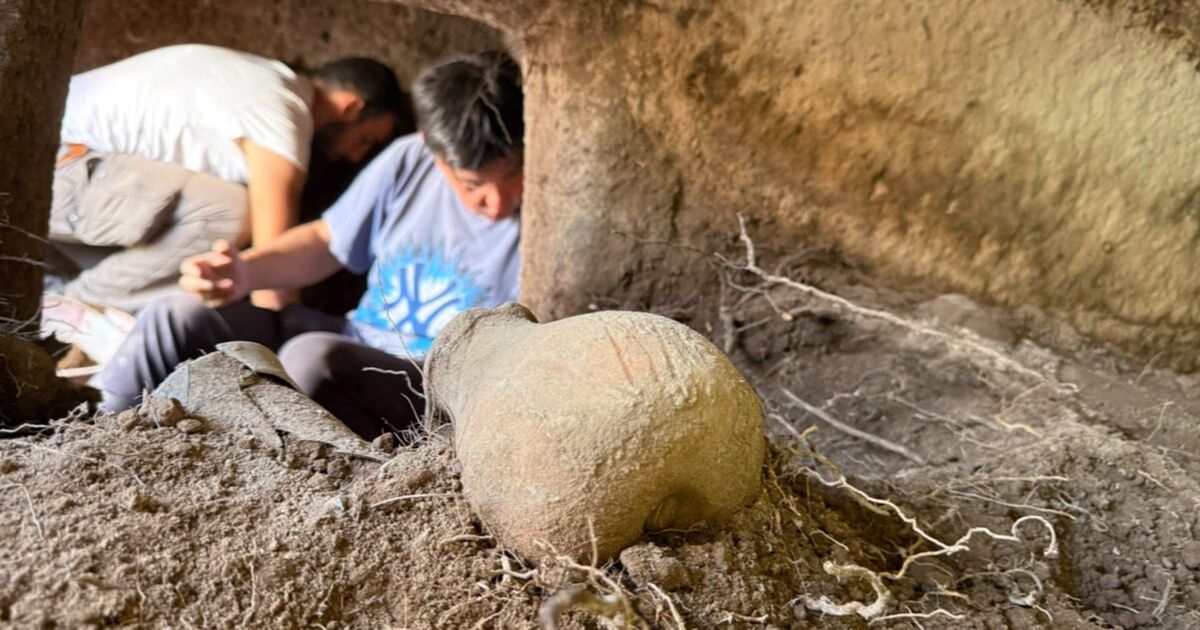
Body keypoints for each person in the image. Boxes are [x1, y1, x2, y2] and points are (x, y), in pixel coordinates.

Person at [93, 50, 524, 440]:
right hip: (357, 338)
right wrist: (244, 272)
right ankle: (99, 442)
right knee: (176, 314)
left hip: (441, 379)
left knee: (311, 358)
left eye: (512, 175)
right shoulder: (409, 158)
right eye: (473, 185)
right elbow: (325, 241)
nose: (499, 201)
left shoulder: (552, 211)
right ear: (435, 152)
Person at [48, 44, 406, 313]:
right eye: (365, 140)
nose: (357, 156)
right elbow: (273, 251)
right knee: (232, 213)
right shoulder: (281, 110)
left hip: (72, 181)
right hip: (59, 164)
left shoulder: (263, 80)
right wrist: (278, 342)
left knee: (195, 267)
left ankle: (58, 298)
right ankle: (70, 309)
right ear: (351, 106)